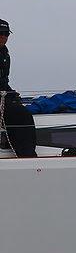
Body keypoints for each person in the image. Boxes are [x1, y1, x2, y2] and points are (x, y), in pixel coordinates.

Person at [0, 19, 37, 157]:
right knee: (22, 115)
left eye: (6, 33)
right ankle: (27, 156)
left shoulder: (4, 53)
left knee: (19, 108)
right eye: (0, 33)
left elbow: (3, 80)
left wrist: (11, 93)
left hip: (3, 93)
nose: (4, 36)